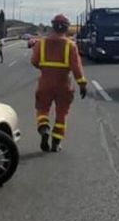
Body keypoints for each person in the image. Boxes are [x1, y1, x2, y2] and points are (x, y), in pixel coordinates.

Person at [30, 14, 88, 153]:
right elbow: (76, 67)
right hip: (64, 84)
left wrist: (46, 69)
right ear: (67, 28)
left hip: (45, 83)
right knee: (62, 114)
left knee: (42, 109)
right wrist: (82, 84)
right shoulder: (70, 45)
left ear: (53, 26)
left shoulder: (41, 43)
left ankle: (44, 128)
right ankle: (56, 143)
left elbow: (34, 61)